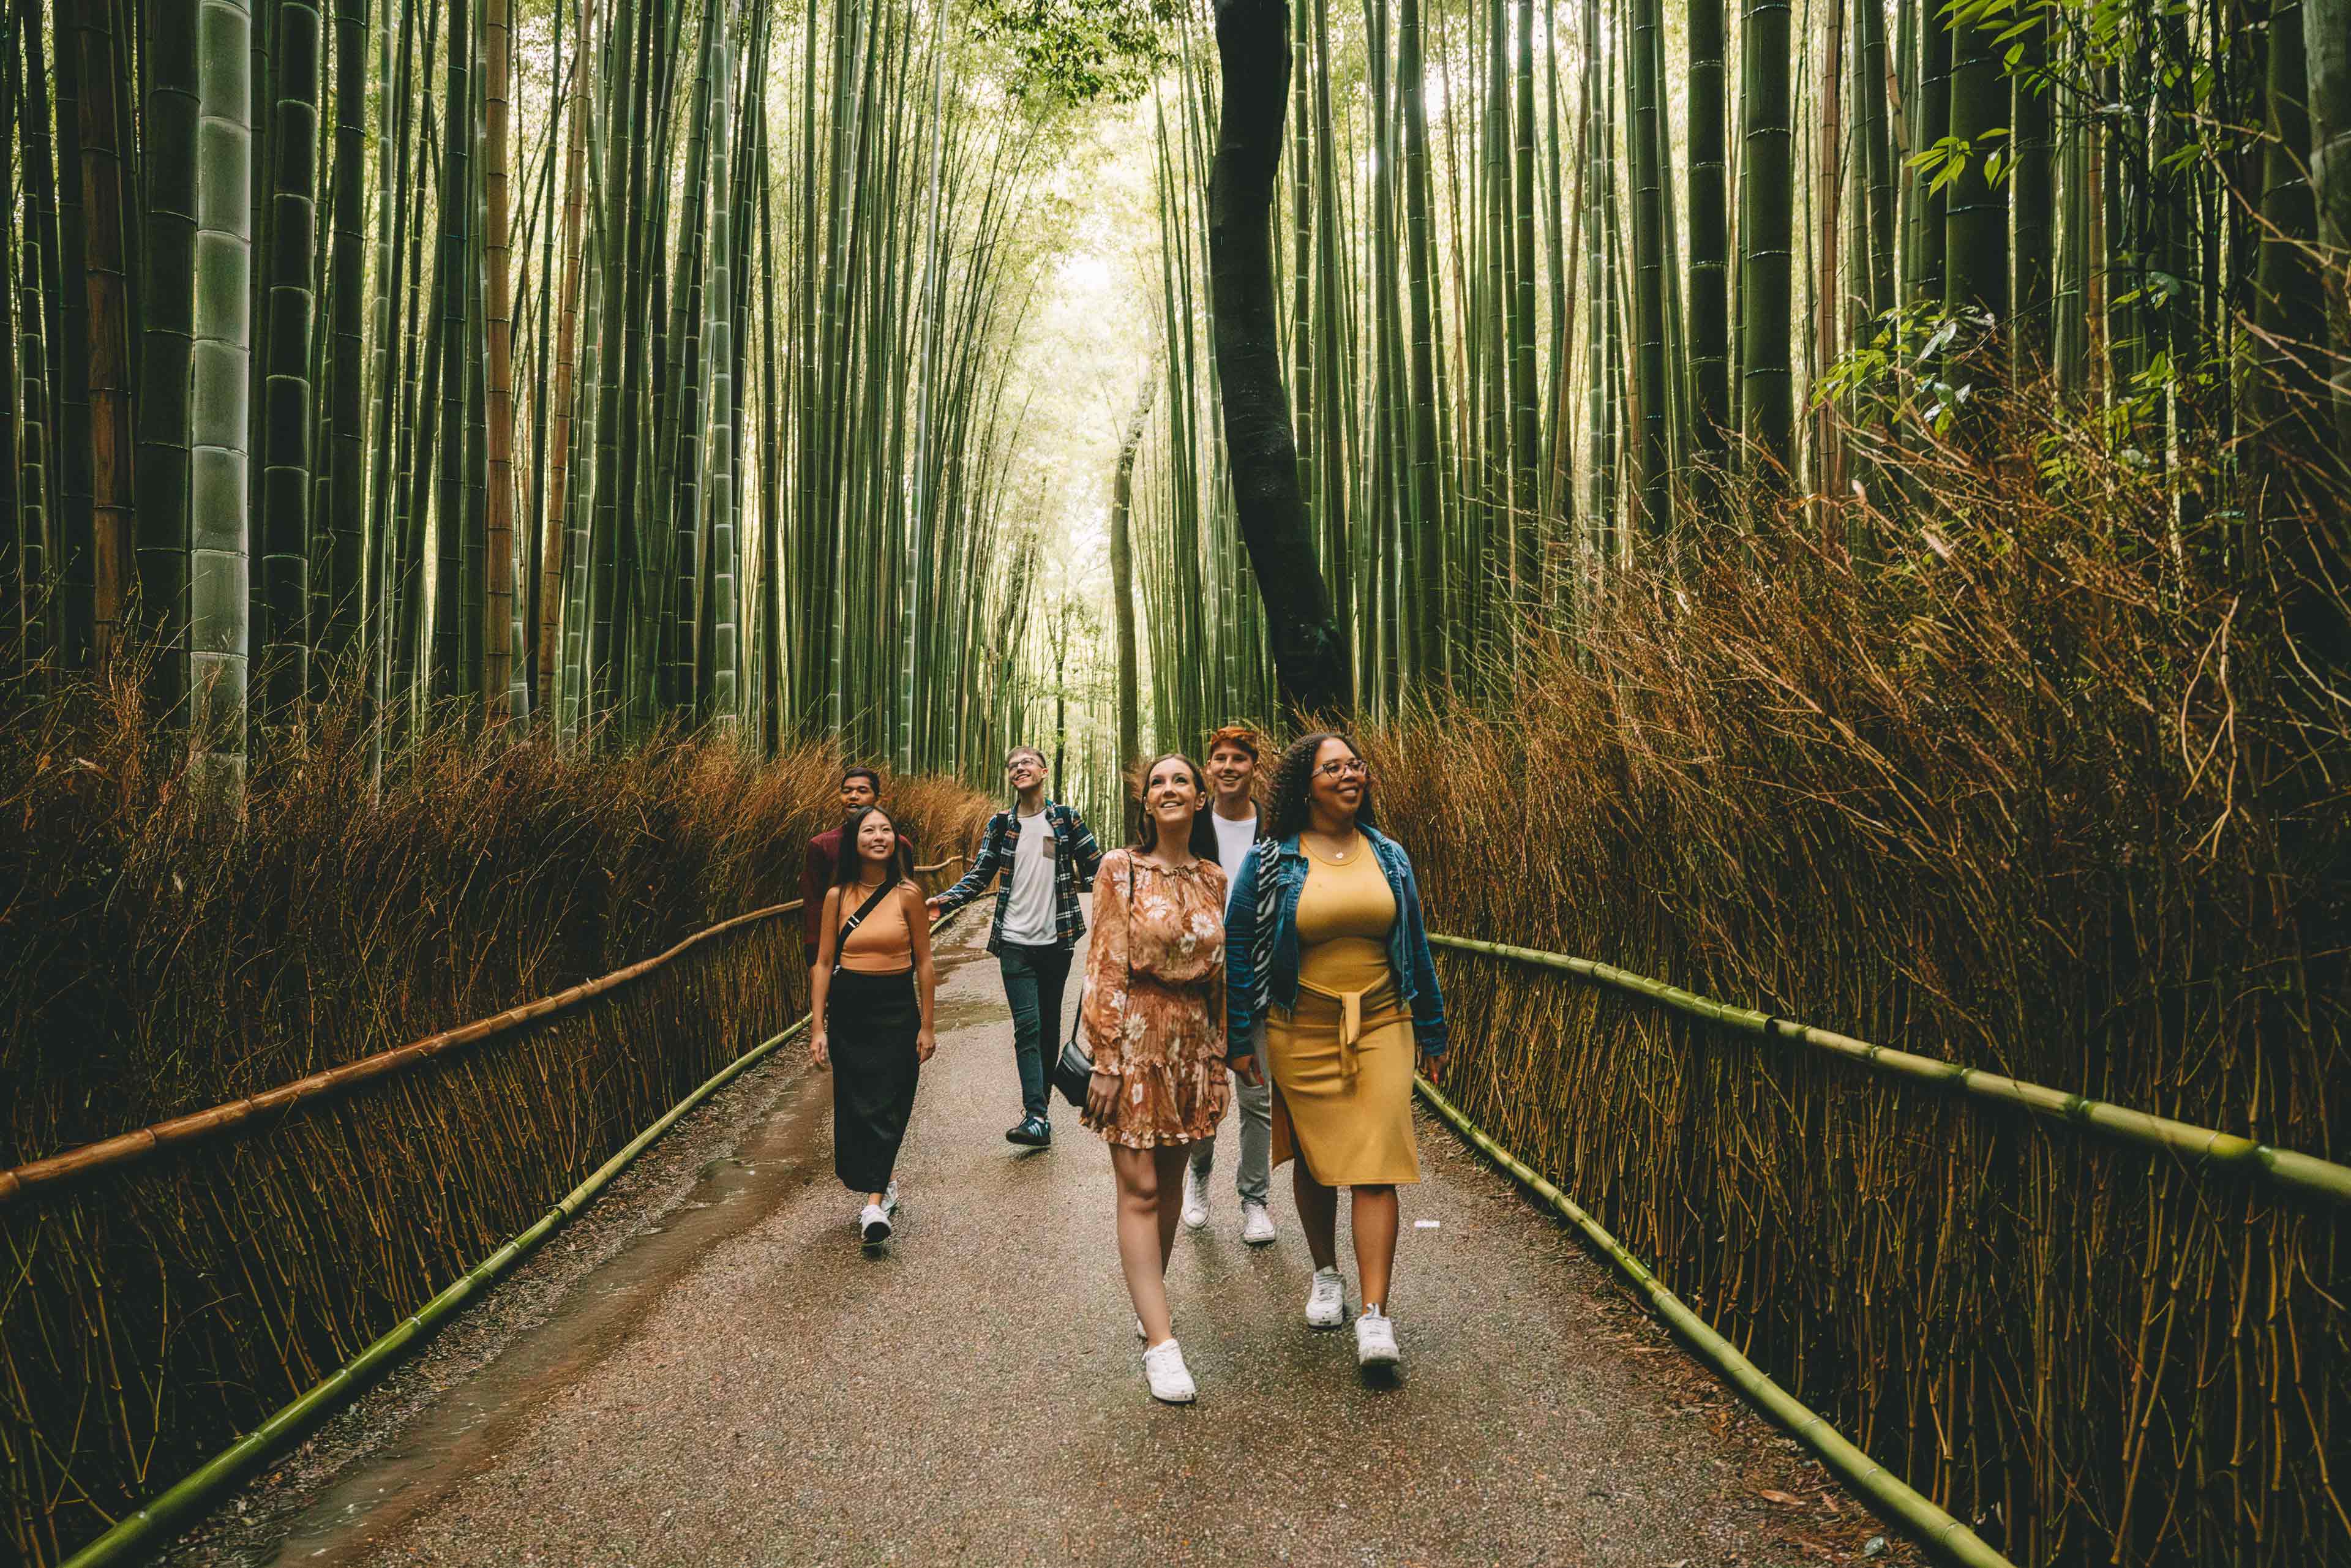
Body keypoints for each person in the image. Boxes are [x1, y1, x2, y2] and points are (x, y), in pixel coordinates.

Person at [1224, 732, 1448, 1371]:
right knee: (1316, 1159)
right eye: (1334, 768)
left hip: (1382, 1020)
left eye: (1356, 765)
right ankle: (1326, 1273)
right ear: (1307, 785)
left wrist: (1432, 1028)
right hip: (1302, 1025)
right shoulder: (1272, 859)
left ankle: (1376, 1315)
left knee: (1378, 1161)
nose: (1350, 774)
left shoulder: (1390, 855)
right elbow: (1239, 943)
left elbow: (1416, 942)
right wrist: (1239, 1036)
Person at [1081, 754, 1254, 1403]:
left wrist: (1223, 1057)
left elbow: (1223, 975)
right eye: (1159, 782)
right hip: (1134, 1035)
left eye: (1181, 779)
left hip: (1192, 1044)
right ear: (1147, 802)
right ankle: (1161, 1342)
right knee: (1142, 1186)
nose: (1170, 788)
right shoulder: (1119, 868)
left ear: (1200, 797)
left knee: (1174, 1178)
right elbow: (1104, 963)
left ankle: (1147, 1296)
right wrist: (1105, 1057)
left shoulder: (1214, 878)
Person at [927, 746, 1104, 1147]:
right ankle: (1035, 1114)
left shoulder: (1065, 819)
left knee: (1048, 1028)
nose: (1019, 768)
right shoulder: (1001, 824)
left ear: (1043, 771)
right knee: (1028, 1027)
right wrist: (946, 900)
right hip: (1014, 942)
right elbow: (980, 873)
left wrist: (1129, 891)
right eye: (1012, 765)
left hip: (1057, 941)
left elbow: (1098, 866)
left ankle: (1041, 1113)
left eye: (1026, 762)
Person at [809, 805, 939, 1245]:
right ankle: (880, 1186)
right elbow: (823, 962)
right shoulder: (837, 896)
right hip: (850, 1009)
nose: (879, 836)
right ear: (854, 840)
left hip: (896, 1007)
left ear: (895, 840)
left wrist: (927, 1025)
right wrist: (818, 1026)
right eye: (869, 830)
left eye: (886, 829)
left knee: (891, 1102)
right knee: (858, 1104)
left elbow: (925, 963)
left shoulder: (908, 894)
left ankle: (873, 1204)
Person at [1181, 725, 1277, 1245]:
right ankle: (1199, 1172)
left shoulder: (1272, 826)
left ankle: (1254, 1199)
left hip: (1256, 977)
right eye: (1219, 758)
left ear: (1253, 767)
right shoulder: (1194, 824)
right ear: (1209, 768)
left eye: (1239, 758)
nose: (1228, 766)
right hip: (1201, 979)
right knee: (1204, 1092)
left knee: (1256, 1096)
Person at [801, 767, 914, 967]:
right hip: (840, 951)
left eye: (862, 791)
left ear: (877, 799)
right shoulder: (822, 846)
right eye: (847, 791)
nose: (853, 796)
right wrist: (816, 959)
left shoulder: (899, 846)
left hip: (890, 949)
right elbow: (814, 907)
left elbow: (906, 898)